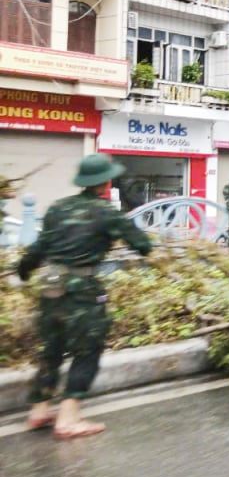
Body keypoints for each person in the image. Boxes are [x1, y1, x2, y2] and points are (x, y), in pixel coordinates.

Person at [17, 154, 152, 439]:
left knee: (51, 349)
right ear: (105, 182)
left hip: (49, 287)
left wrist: (24, 270)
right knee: (86, 351)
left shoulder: (58, 208)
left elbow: (40, 247)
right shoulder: (106, 212)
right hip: (83, 293)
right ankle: (67, 419)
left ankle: (39, 410)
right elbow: (142, 244)